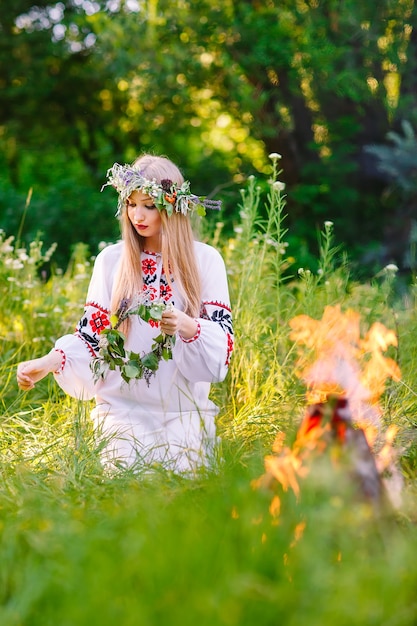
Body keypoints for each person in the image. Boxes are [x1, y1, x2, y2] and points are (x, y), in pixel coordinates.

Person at [16, 154, 234, 473]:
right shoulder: (112, 261)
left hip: (185, 411)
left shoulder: (205, 261)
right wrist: (51, 361)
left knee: (187, 491)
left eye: (148, 205)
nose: (138, 215)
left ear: (172, 207)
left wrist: (187, 325)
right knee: (130, 488)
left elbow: (222, 346)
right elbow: (93, 337)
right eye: (131, 204)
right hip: (123, 410)